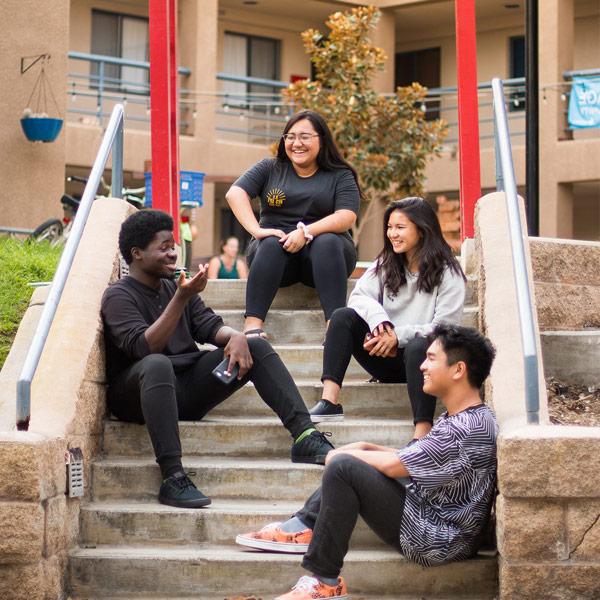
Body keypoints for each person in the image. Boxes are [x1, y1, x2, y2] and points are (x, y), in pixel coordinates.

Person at [236, 324, 498, 600]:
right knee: (354, 460)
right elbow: (420, 456)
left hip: (439, 538)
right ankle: (305, 526)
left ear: (458, 370)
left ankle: (324, 579)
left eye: (431, 358)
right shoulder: (470, 418)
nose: (422, 366)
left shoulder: (466, 427)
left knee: (344, 467)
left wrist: (338, 455)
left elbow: (397, 466)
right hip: (439, 522)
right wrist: (367, 447)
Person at [101, 210, 334, 509]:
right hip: (138, 395)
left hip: (185, 390)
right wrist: (181, 298)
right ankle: (173, 476)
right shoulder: (119, 296)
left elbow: (209, 326)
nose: (173, 253)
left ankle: (304, 434)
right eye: (164, 248)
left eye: (173, 246)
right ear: (137, 254)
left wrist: (236, 337)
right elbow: (145, 349)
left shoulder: (175, 285)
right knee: (157, 364)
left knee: (255, 346)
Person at [309, 197, 466, 444]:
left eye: (400, 228)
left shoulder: (449, 272)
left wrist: (398, 336)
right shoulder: (387, 262)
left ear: (422, 230)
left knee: (419, 345)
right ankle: (329, 401)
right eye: (390, 227)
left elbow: (446, 328)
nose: (392, 234)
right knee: (342, 317)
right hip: (385, 356)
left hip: (425, 363)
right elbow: (359, 297)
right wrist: (381, 325)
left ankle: (422, 431)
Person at [225, 109, 360, 338]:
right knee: (270, 242)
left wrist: (306, 232)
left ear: (322, 140)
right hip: (276, 260)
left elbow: (346, 216)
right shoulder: (270, 168)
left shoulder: (340, 175)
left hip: (326, 261)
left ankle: (335, 329)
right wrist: (257, 231)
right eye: (290, 136)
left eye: (305, 137)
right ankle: (252, 325)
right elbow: (234, 194)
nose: (297, 143)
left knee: (326, 241)